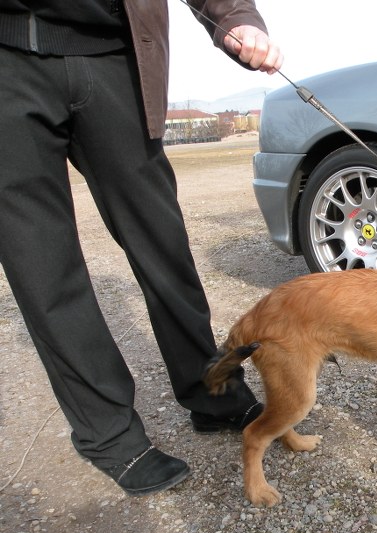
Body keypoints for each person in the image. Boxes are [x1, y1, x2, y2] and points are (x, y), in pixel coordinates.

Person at [0, 1, 284, 496]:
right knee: (43, 262)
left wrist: (237, 16)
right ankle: (107, 431)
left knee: (163, 243)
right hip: (6, 61)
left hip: (116, 55)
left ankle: (212, 392)